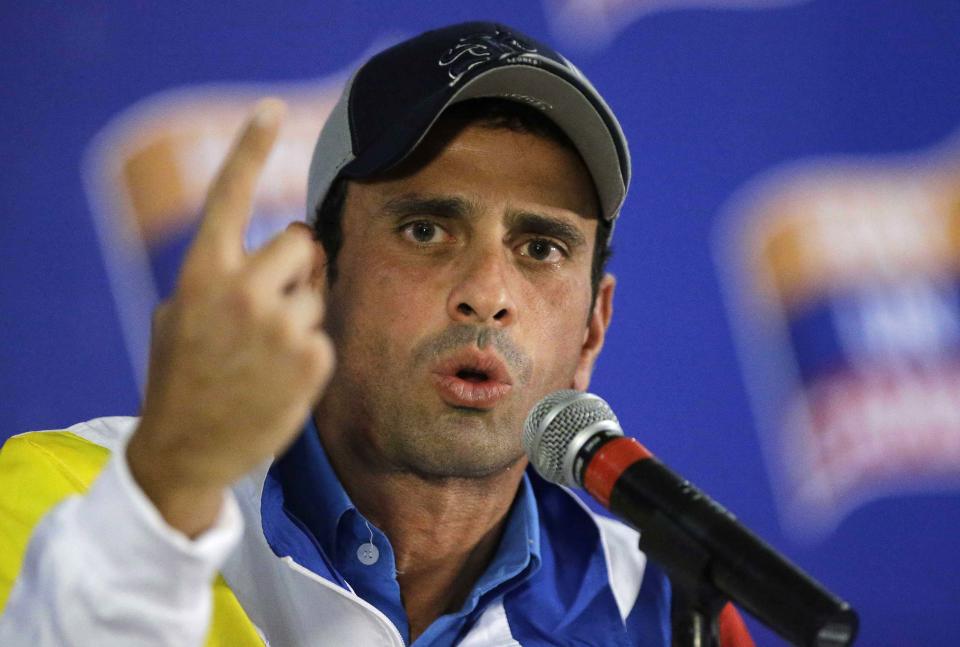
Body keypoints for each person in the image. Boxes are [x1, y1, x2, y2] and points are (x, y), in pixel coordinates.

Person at [0, 22, 751, 646]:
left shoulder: (657, 610)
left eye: (540, 249)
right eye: (426, 229)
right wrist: (165, 498)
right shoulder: (80, 494)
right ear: (313, 280)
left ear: (592, 329)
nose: (487, 294)